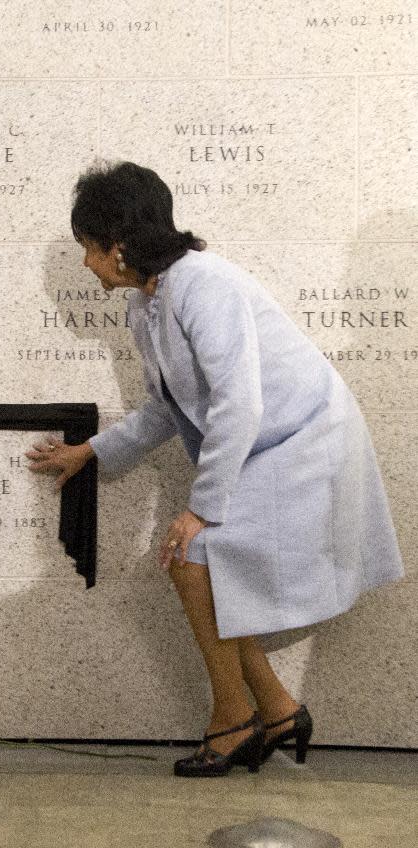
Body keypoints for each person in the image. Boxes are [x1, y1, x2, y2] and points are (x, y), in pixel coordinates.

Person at [27, 161, 403, 778]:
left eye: (88, 249)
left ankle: (234, 718)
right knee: (194, 562)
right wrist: (93, 451)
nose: (86, 264)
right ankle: (277, 710)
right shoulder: (146, 306)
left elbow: (239, 402)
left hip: (306, 441)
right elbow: (167, 409)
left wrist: (201, 508)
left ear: (118, 249)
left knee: (191, 555)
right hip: (266, 444)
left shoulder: (204, 284)